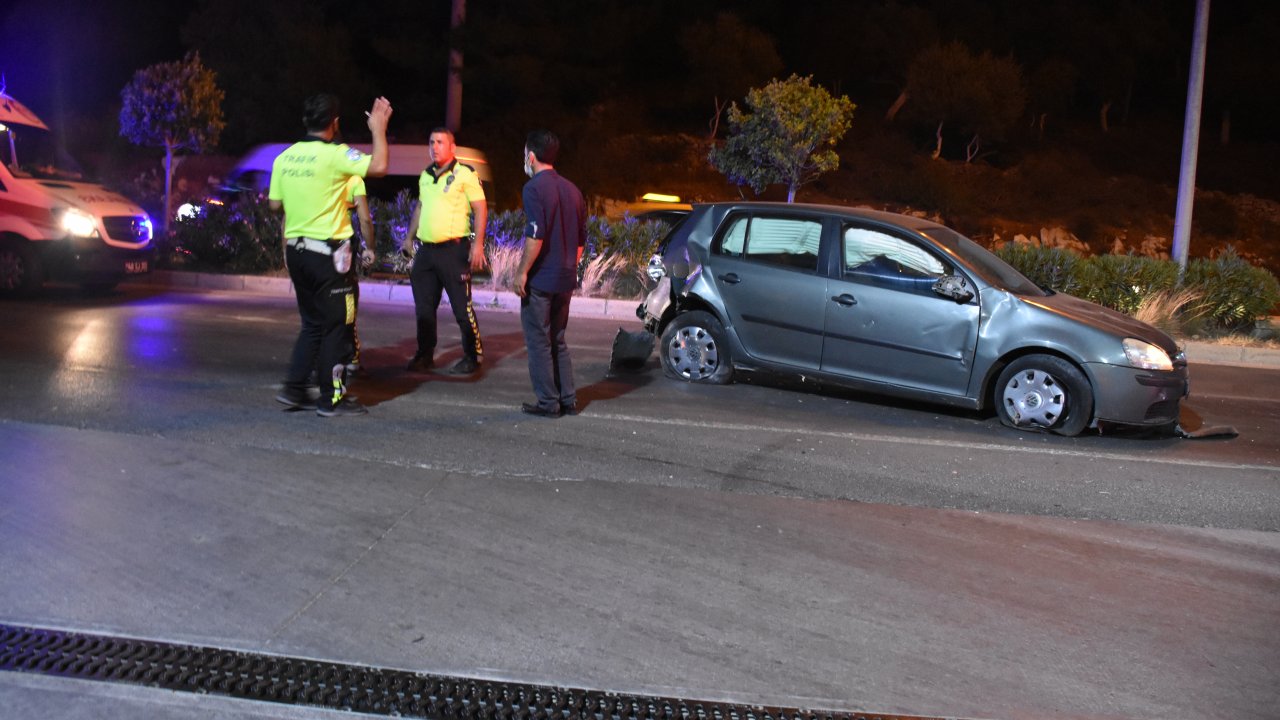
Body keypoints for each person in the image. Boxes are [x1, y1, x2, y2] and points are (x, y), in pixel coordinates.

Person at [269, 93, 392, 417]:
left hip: (297, 253)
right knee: (338, 325)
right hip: (328, 258)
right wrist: (378, 127)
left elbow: (274, 205)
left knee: (311, 324)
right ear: (334, 123)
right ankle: (331, 397)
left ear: (305, 120)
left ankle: (294, 389)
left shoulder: (285, 157)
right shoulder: (335, 155)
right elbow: (378, 165)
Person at [513, 129, 586, 418]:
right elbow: (581, 241)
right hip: (565, 279)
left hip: (541, 280)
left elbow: (535, 235)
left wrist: (521, 273)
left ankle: (548, 402)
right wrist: (567, 266)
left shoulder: (533, 189)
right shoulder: (573, 190)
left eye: (524, 155)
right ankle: (568, 399)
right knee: (558, 339)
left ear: (531, 156)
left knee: (539, 341)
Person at [404, 128, 488, 375]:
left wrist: (478, 243)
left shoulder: (465, 174)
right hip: (426, 252)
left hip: (453, 250)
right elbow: (420, 206)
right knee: (424, 309)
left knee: (462, 308)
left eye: (440, 142)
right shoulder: (425, 175)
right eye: (431, 142)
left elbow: (480, 209)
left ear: (452, 147)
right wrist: (409, 238)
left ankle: (473, 355)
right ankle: (425, 355)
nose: (435, 146)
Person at [344, 175, 376, 374]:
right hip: (340, 248)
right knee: (347, 300)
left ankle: (316, 358)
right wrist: (369, 248)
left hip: (309, 248)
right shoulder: (353, 178)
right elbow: (364, 219)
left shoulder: (311, 171)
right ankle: (351, 357)